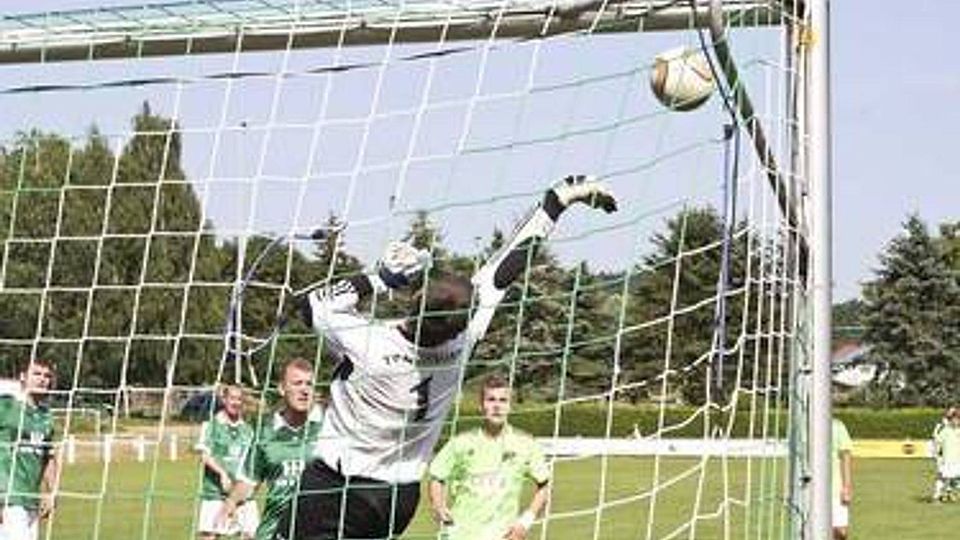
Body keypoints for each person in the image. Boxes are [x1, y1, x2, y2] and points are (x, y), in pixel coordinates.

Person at [279, 175, 617, 540]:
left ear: (416, 300)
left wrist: (384, 277)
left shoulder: (369, 345)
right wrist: (557, 202)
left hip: (336, 486)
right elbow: (507, 268)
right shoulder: (462, 345)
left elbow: (312, 304)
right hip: (397, 496)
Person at [428, 375, 549, 540]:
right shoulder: (461, 442)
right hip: (460, 534)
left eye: (503, 400)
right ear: (481, 406)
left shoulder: (526, 443)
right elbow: (437, 476)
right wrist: (438, 505)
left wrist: (524, 523)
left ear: (510, 406)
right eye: (491, 400)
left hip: (503, 535)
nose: (497, 406)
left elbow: (544, 486)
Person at [216, 359, 323, 540]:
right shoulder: (265, 432)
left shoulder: (329, 427)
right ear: (282, 388)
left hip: (319, 530)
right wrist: (230, 503)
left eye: (309, 384)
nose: (304, 390)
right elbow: (249, 480)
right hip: (274, 530)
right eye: (297, 383)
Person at [0, 358, 58, 540]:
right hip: (8, 499)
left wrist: (52, 492)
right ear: (23, 377)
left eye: (47, 376)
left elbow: (48, 457)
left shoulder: (46, 416)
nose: (42, 379)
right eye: (37, 374)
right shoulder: (6, 406)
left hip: (32, 500)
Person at [195, 385, 258, 540]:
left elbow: (253, 462)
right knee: (209, 536)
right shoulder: (211, 425)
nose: (236, 403)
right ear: (224, 400)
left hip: (242, 495)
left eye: (239, 399)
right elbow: (204, 455)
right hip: (214, 494)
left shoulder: (248, 430)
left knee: (250, 535)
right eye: (232, 398)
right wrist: (222, 474)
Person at [931, 407, 960, 501]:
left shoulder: (958, 431)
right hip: (946, 459)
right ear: (951, 420)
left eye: (958, 419)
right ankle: (936, 496)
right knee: (942, 478)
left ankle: (949, 494)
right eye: (955, 419)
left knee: (955, 479)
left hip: (957, 460)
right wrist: (936, 455)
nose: (957, 421)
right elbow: (937, 442)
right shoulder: (945, 430)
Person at [832, 417, 853, 540]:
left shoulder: (837, 426)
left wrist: (847, 487)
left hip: (835, 488)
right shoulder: (802, 426)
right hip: (809, 488)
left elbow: (846, 455)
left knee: (841, 532)